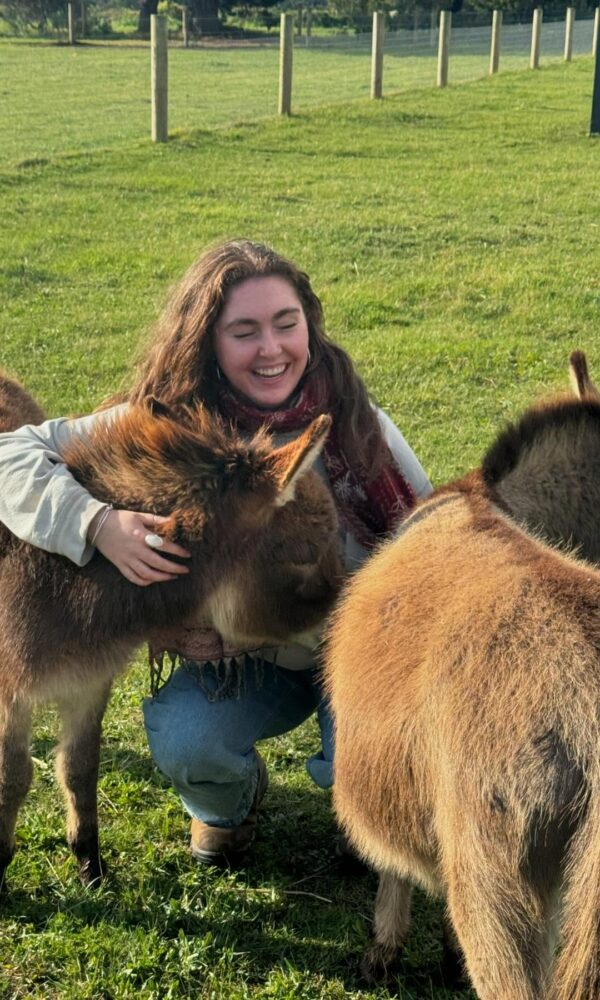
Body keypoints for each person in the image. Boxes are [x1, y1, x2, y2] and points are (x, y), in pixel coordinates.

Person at [0, 240, 432, 867]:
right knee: (188, 739)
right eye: (244, 331)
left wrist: (262, 637)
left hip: (358, 649)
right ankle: (230, 802)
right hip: (246, 670)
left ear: (309, 324)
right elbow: (11, 453)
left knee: (371, 797)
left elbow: (422, 561)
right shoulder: (173, 421)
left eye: (287, 324)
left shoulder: (363, 428)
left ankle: (360, 766)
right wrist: (95, 524)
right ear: (208, 339)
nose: (271, 349)